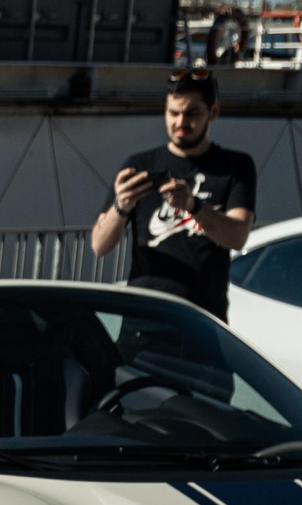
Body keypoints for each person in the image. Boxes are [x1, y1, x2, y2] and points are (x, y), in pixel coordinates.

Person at [90, 68, 256, 318]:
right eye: (173, 113)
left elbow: (237, 236)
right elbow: (99, 245)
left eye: (192, 113)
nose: (180, 122)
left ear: (214, 112)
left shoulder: (235, 167)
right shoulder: (139, 165)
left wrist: (193, 205)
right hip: (144, 316)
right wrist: (121, 206)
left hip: (202, 319)